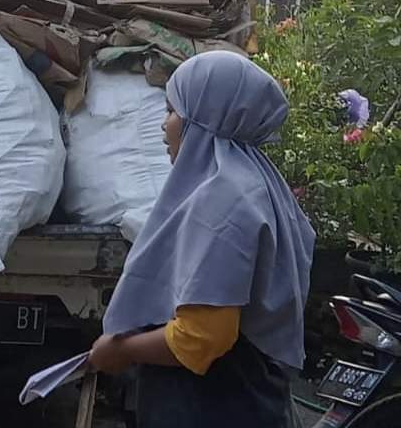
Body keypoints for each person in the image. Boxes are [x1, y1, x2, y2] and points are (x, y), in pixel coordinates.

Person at [89, 51, 315, 428]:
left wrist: (121, 350)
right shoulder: (254, 181)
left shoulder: (221, 198)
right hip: (251, 397)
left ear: (206, 116)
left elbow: (202, 338)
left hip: (213, 404)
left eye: (173, 111)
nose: (164, 126)